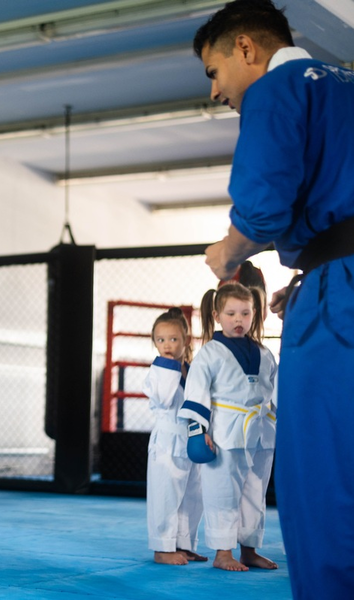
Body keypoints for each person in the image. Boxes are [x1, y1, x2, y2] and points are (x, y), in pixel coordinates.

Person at [194, 0, 354, 595]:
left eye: (213, 72)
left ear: (245, 49)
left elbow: (262, 208)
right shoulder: (345, 86)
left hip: (341, 301)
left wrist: (228, 254)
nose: (216, 91)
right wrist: (311, 271)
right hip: (333, 273)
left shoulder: (279, 87)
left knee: (325, 474)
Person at [178, 282, 277, 572]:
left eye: (245, 313)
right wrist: (198, 431)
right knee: (222, 490)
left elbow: (276, 391)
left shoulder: (265, 352)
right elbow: (196, 392)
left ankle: (249, 549)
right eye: (231, 313)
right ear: (217, 315)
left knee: (255, 491)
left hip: (260, 430)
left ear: (254, 314)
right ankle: (223, 552)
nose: (238, 319)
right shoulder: (210, 352)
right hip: (224, 431)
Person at [143, 307, 206, 565]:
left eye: (173, 339)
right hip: (167, 442)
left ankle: (184, 543)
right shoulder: (159, 370)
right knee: (166, 495)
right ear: (154, 342)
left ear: (186, 341)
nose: (166, 345)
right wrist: (170, 366)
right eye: (160, 339)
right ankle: (162, 547)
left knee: (192, 495)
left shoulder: (191, 371)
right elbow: (164, 398)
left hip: (190, 441)